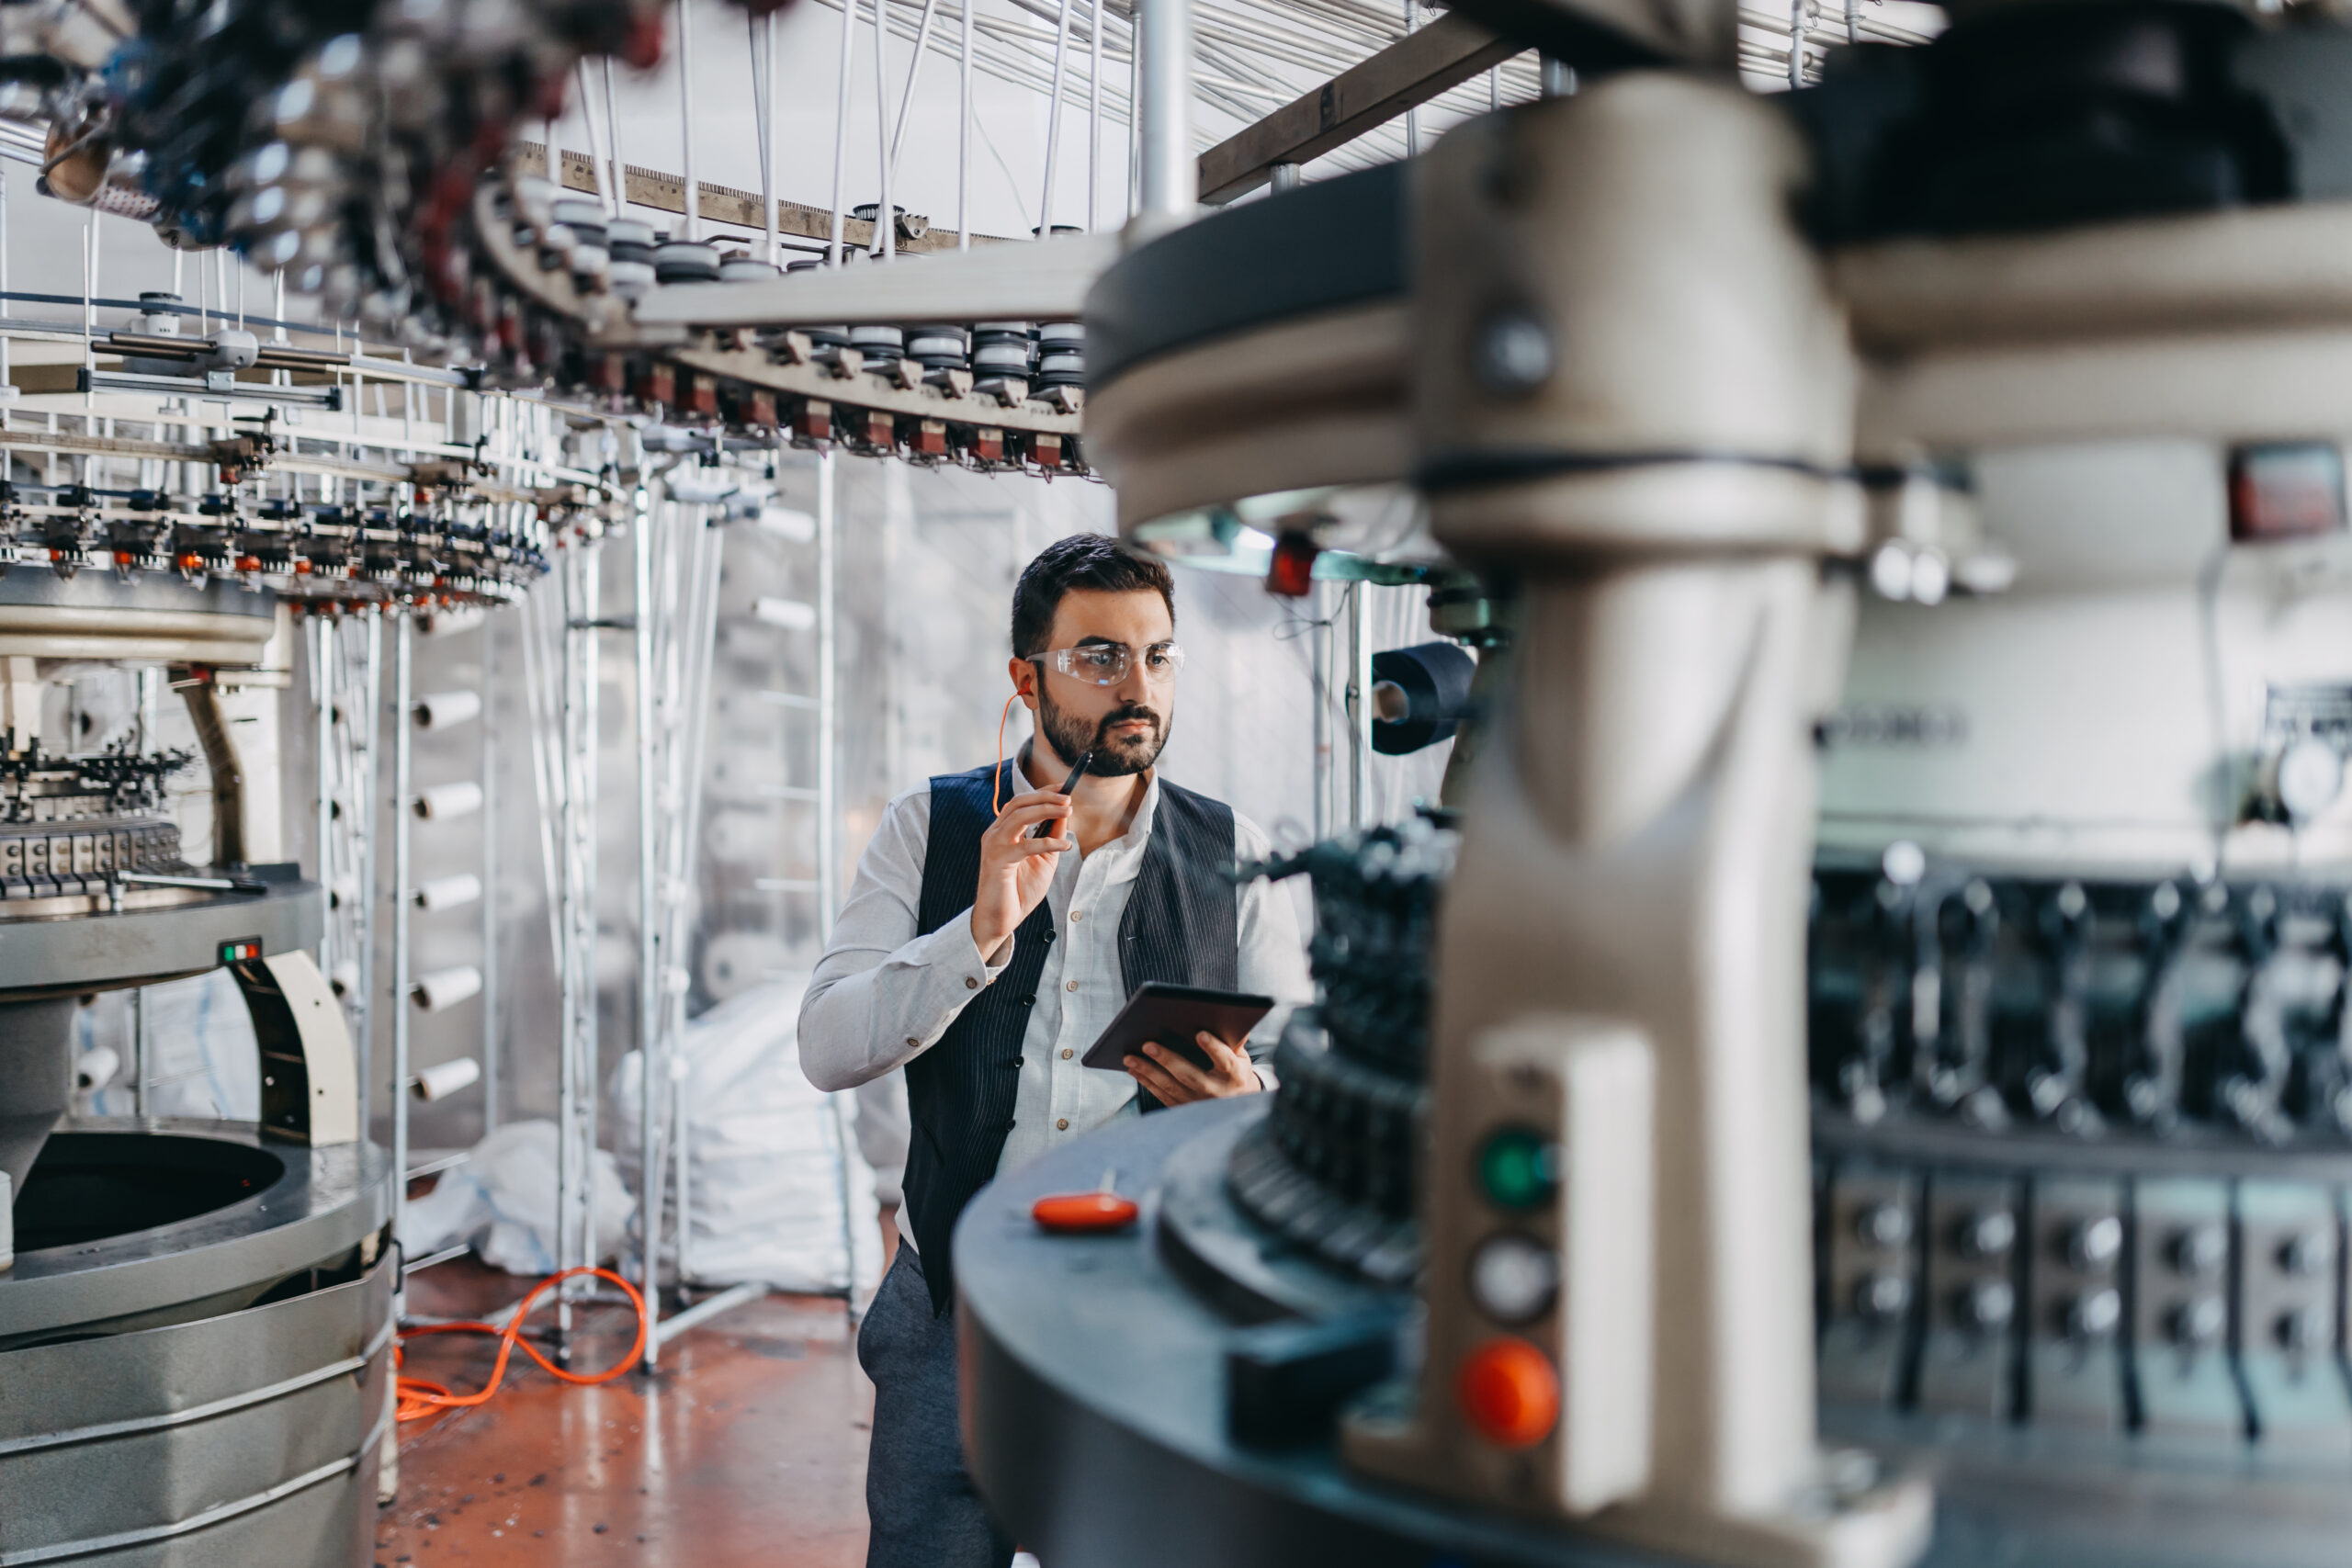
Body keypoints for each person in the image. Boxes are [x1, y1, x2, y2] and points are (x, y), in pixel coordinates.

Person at [798, 534, 1311, 1568]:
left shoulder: (1235, 851)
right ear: (1024, 678)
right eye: (1101, 657)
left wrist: (1246, 1098)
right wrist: (976, 932)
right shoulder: (929, 830)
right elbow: (827, 1046)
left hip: (1157, 1311)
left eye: (1158, 656)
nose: (1139, 688)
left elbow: (1308, 1089)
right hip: (952, 1305)